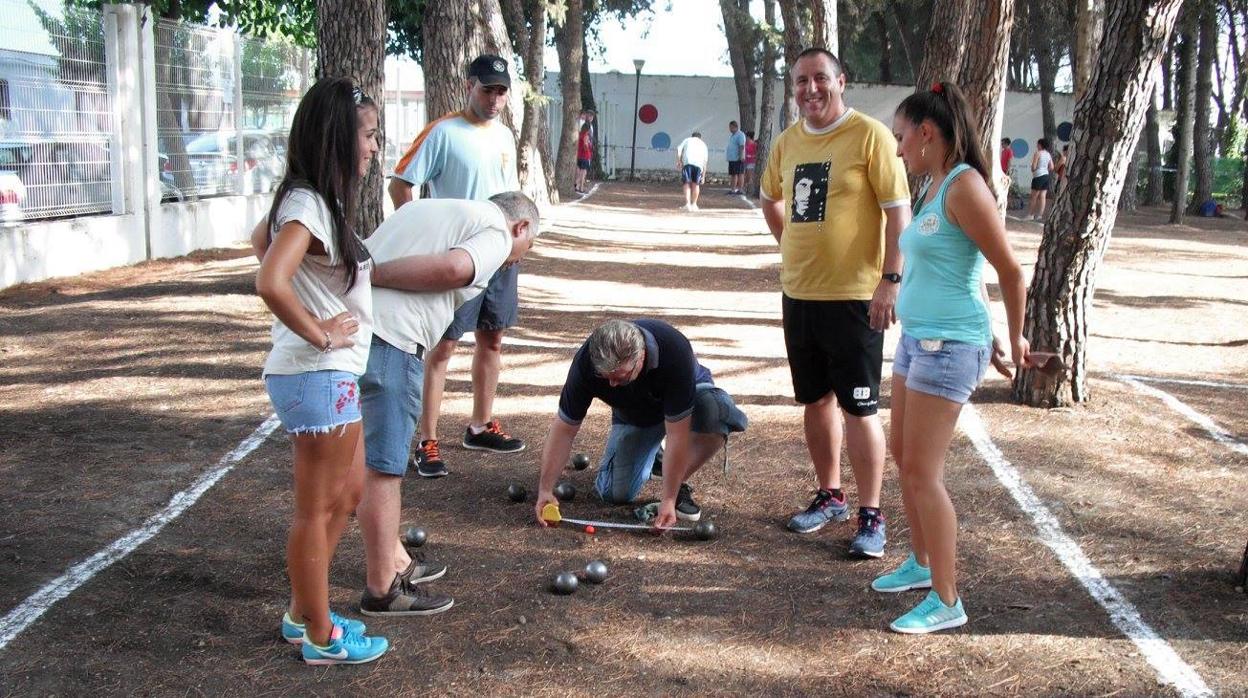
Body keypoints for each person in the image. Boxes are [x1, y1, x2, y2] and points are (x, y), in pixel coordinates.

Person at [877, 81, 1032, 634]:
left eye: (901, 137)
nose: (897, 150)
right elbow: (959, 268)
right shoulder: (932, 185)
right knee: (901, 454)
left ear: (926, 132)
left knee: (923, 472)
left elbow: (1010, 271)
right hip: (919, 340)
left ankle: (947, 600)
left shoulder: (965, 186)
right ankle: (920, 565)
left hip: (949, 345)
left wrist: (1013, 339)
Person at [355, 191, 542, 617]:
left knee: (361, 464)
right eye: (522, 252)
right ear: (521, 228)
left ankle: (396, 559)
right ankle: (382, 589)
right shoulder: (496, 229)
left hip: (356, 332)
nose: (514, 262)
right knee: (383, 469)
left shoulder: (426, 210)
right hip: (391, 340)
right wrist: (374, 276)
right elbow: (455, 268)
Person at [253, 77, 388, 665]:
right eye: (368, 134)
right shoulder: (307, 202)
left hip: (330, 373)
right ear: (338, 137)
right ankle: (318, 635)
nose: (374, 146)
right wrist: (317, 329)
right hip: (317, 372)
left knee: (350, 491)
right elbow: (268, 277)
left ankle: (304, 612)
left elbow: (257, 240)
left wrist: (313, 308)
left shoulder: (312, 203)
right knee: (315, 508)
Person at [760, 48, 911, 558]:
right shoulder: (788, 142)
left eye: (820, 78)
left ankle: (871, 514)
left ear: (841, 81)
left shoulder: (870, 136)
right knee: (815, 400)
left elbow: (897, 214)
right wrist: (791, 246)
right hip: (800, 294)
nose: (810, 90)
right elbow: (771, 199)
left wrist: (890, 279)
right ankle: (830, 495)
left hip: (855, 299)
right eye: (801, 81)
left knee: (859, 407)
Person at [388, 54, 525, 479]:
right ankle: (426, 439)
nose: (495, 98)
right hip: (459, 258)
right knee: (442, 346)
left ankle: (480, 425)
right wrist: (422, 233)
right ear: (470, 86)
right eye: (488, 89)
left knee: (493, 339)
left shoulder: (504, 136)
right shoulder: (443, 132)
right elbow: (400, 184)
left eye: (501, 91)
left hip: (499, 255)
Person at [533, 319, 747, 530]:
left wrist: (669, 499)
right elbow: (564, 430)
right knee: (614, 493)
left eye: (621, 377)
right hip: (636, 414)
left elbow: (677, 435)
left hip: (687, 404)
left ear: (641, 357)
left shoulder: (674, 351)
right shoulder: (586, 363)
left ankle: (677, 479)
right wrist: (545, 490)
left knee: (715, 411)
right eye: (605, 377)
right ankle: (656, 457)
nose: (612, 384)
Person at [676, 131, 709, 211]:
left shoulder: (687, 140)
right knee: (696, 184)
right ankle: (694, 204)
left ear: (692, 136)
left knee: (686, 183)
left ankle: (687, 204)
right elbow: (705, 162)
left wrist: (679, 161)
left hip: (688, 163)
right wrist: (703, 176)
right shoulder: (703, 144)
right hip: (699, 165)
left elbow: (678, 149)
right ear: (700, 138)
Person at [1027, 137, 1053, 221]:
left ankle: (1030, 214)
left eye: (1038, 144)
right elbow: (1051, 167)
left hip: (1038, 176)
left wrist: (1033, 168)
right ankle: (1040, 215)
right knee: (1043, 196)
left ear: (1040, 145)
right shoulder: (1048, 154)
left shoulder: (1038, 153)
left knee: (1034, 196)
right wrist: (1045, 170)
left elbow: (1033, 167)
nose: (1037, 146)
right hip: (1046, 175)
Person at [575, 110, 595, 194]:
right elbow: (586, 144)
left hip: (579, 154)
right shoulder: (585, 134)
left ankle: (577, 184)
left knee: (579, 169)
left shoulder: (580, 134)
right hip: (585, 154)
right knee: (583, 171)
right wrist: (589, 148)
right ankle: (580, 186)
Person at [726, 120, 747, 194]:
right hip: (732, 158)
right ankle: (733, 189)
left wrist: (741, 156)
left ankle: (740, 189)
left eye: (731, 127)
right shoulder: (733, 135)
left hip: (737, 158)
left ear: (735, 127)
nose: (730, 129)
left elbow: (742, 146)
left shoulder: (740, 135)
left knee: (739, 173)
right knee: (733, 174)